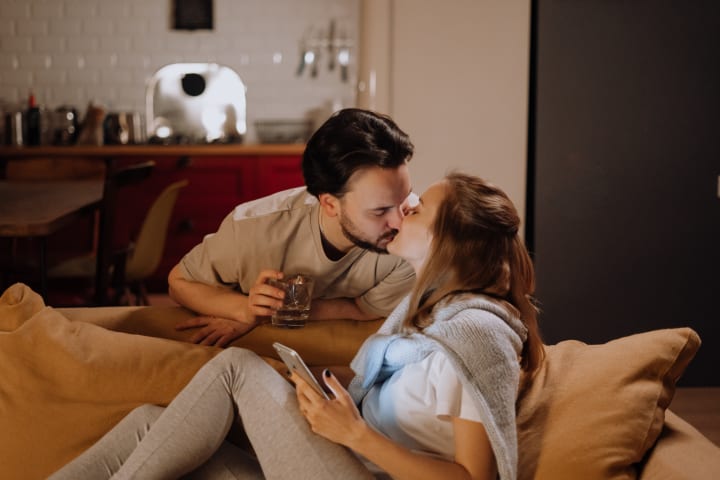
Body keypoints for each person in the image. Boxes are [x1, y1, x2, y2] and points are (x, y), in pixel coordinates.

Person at [50, 172, 543, 480]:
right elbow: (380, 376)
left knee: (236, 369)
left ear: (448, 241)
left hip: (360, 464)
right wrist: (297, 376)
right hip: (340, 463)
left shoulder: (476, 338)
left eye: (417, 209)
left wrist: (356, 435)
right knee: (149, 425)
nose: (402, 210)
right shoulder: (430, 315)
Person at [168, 108, 417, 347]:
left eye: (405, 198)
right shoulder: (253, 230)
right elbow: (179, 282)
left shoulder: (415, 241)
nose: (400, 222)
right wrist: (243, 310)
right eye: (380, 211)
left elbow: (365, 309)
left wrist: (271, 313)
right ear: (330, 204)